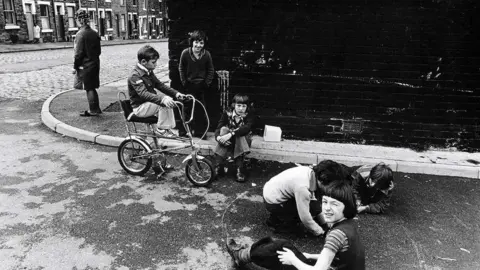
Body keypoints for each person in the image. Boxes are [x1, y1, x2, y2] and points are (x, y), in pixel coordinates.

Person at [226, 181, 365, 270]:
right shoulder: (349, 224)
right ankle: (243, 255)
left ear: (347, 207)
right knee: (282, 245)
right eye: (325, 202)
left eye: (334, 204)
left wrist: (293, 260)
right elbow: (338, 258)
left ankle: (241, 256)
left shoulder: (336, 235)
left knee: (280, 251)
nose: (327, 208)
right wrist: (310, 255)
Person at [263, 160, 352, 236]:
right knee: (305, 217)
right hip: (273, 202)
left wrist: (325, 223)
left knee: (314, 205)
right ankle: (279, 223)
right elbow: (305, 217)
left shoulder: (311, 173)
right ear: (322, 181)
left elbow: (315, 203)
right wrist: (320, 232)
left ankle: (279, 216)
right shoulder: (303, 189)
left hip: (273, 190)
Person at [128, 45, 186, 138]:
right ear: (143, 62)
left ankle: (162, 132)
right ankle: (162, 129)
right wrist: (162, 98)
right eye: (153, 62)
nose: (156, 64)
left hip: (148, 105)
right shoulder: (135, 75)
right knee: (163, 103)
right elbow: (143, 94)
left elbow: (159, 85)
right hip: (140, 108)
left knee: (168, 100)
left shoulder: (148, 71)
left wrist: (176, 93)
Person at [178, 30, 215, 136]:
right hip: (189, 85)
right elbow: (181, 68)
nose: (198, 45)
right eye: (196, 42)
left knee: (200, 109)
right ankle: (185, 131)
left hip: (201, 86)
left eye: (201, 43)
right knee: (186, 109)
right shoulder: (185, 53)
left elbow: (211, 70)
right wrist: (185, 82)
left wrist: (206, 83)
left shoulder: (206, 54)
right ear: (192, 42)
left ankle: (200, 132)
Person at [213, 93, 255, 182]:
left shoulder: (249, 114)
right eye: (238, 105)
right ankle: (218, 165)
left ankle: (239, 169)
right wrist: (218, 138)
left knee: (239, 132)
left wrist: (231, 134)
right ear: (233, 105)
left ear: (247, 107)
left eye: (244, 106)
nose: (241, 109)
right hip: (229, 142)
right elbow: (218, 127)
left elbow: (246, 128)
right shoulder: (227, 113)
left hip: (243, 141)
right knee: (224, 129)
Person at [72, 9, 102, 117]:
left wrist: (75, 67)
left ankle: (93, 110)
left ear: (79, 20)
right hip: (95, 63)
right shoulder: (94, 33)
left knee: (89, 88)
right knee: (92, 86)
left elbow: (78, 54)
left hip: (86, 65)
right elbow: (99, 51)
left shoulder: (80, 34)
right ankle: (96, 108)